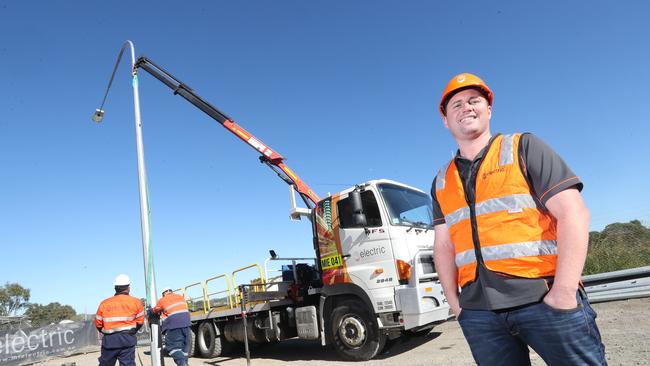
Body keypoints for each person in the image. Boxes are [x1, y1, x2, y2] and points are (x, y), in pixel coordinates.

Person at [431, 73, 607, 365]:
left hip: (545, 301)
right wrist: (455, 303)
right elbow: (444, 246)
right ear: (446, 120)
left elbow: (573, 213)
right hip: (479, 314)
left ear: (489, 110)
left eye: (474, 101)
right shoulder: (441, 181)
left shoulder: (524, 148)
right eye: (457, 104)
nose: (467, 108)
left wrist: (564, 292)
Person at [95, 274, 145, 366]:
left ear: (115, 288)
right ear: (128, 287)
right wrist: (132, 331)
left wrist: (106, 332)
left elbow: (98, 324)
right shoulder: (136, 302)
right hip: (127, 340)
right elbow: (140, 321)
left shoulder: (104, 303)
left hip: (109, 341)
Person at [151, 287, 191, 366]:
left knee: (173, 348)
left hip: (173, 326)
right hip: (187, 325)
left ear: (163, 294)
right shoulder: (180, 297)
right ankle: (184, 363)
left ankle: (183, 364)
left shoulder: (163, 300)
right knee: (184, 351)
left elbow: (155, 310)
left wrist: (150, 311)